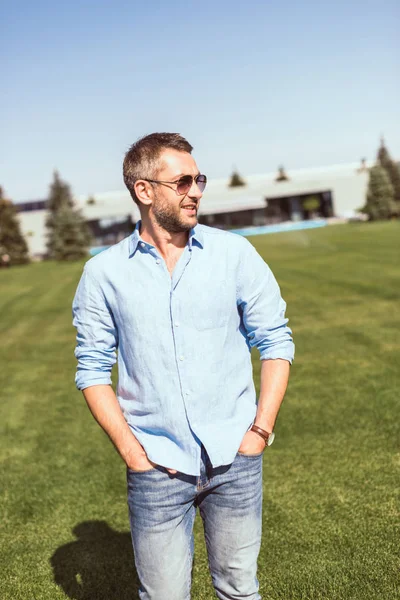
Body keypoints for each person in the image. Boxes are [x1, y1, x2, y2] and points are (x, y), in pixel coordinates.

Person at [72, 132, 295, 600]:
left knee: (239, 589)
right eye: (183, 181)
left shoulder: (234, 254)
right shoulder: (103, 273)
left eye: (199, 179)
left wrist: (259, 431)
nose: (195, 191)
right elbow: (93, 371)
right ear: (145, 191)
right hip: (156, 466)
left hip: (235, 459)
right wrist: (135, 454)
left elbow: (275, 341)